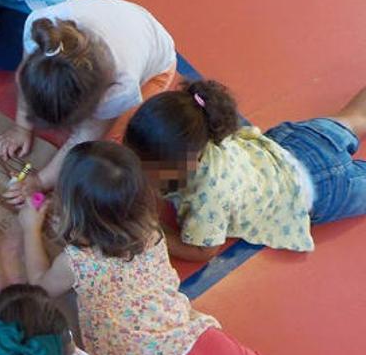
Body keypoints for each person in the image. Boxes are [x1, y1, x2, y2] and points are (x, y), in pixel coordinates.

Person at [16, 140, 366, 355]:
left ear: (74, 213)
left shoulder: (77, 262)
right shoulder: (150, 231)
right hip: (209, 343)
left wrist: (30, 228)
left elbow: (39, 286)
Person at [125, 80, 366, 261]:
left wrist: (151, 231)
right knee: (356, 118)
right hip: (296, 143)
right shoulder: (203, 127)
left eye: (147, 170)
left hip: (319, 189)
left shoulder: (206, 194)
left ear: (187, 165)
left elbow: (203, 250)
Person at [0, 0, 176, 205]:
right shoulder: (42, 30)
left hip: (157, 67)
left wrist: (40, 181)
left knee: (112, 145)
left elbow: (85, 137)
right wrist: (21, 127)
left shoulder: (120, 88)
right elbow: (24, 80)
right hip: (122, 25)